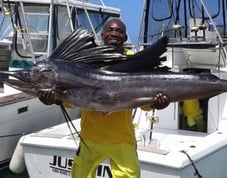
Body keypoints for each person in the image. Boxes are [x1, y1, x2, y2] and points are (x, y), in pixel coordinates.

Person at [38, 18, 170, 178]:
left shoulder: (135, 62)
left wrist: (157, 104)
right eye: (110, 30)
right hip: (90, 138)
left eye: (119, 31)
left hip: (122, 139)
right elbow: (73, 97)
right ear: (102, 35)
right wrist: (54, 99)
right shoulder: (89, 61)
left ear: (125, 37)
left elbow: (144, 104)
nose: (114, 33)